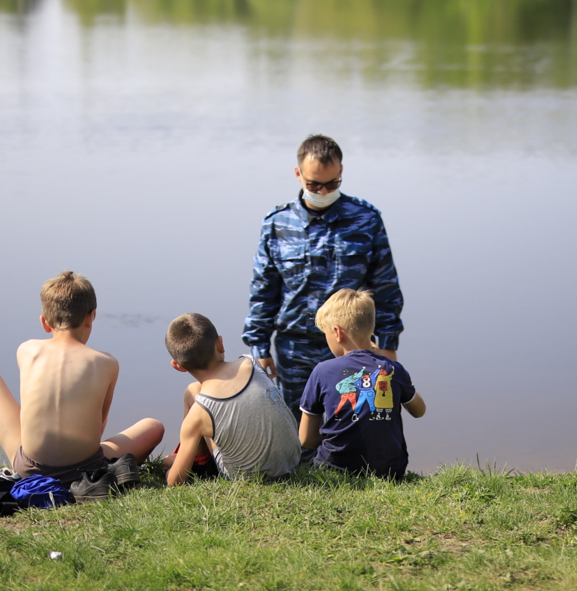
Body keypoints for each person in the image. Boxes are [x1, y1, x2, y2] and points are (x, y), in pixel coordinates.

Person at [243, 134, 404, 415]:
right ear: (298, 174)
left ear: (341, 171)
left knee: (353, 424)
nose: (322, 190)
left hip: (352, 345)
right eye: (313, 184)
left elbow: (386, 286)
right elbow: (263, 290)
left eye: (331, 184)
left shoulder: (366, 219)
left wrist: (388, 345)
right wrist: (259, 345)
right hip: (295, 348)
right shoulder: (277, 223)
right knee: (298, 426)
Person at [0, 271, 165, 489]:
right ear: (91, 317)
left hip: (29, 470)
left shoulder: (27, 350)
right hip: (86, 471)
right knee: (153, 427)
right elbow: (99, 426)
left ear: (45, 322)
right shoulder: (106, 363)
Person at [299, 289, 425, 478]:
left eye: (326, 334)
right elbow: (419, 411)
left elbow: (307, 439)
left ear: (337, 332)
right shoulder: (394, 369)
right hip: (390, 472)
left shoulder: (322, 371)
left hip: (336, 470)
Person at [164, 312, 301, 485]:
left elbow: (175, 482)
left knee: (192, 396)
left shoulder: (198, 414)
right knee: (195, 390)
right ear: (220, 344)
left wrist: (168, 468)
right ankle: (193, 456)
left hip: (248, 477)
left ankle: (198, 461)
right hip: (293, 460)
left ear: (177, 366)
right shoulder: (251, 362)